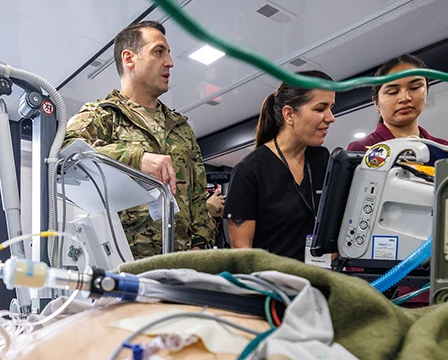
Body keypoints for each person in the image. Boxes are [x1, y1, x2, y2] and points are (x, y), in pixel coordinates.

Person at [64, 21, 220, 260]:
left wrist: (199, 244)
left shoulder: (180, 127)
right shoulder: (103, 115)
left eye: (168, 53)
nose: (170, 62)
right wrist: (136, 159)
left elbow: (198, 197)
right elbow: (65, 150)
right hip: (126, 266)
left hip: (182, 264)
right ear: (129, 58)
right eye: (159, 52)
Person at [223, 72, 336, 262]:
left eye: (331, 108)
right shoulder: (250, 170)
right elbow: (242, 252)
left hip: (319, 282)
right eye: (320, 108)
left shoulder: (323, 159)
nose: (331, 117)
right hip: (274, 285)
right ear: (289, 114)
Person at [347, 54, 448, 153]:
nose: (405, 98)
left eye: (415, 88)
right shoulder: (361, 150)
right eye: (393, 92)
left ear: (427, 92)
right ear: (376, 103)